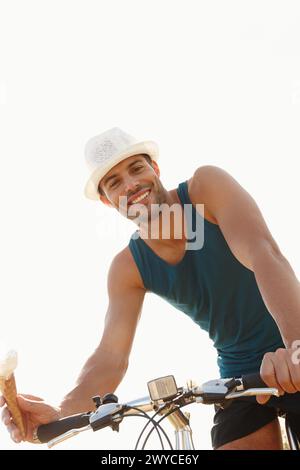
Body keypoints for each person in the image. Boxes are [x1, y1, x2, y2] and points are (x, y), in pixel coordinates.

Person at [1, 127, 300, 449]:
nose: (131, 184)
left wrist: (296, 346)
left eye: (136, 168)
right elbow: (110, 356)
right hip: (239, 374)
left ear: (155, 170)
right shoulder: (127, 267)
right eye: (114, 183)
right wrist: (62, 412)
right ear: (106, 200)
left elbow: (263, 254)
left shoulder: (206, 188)